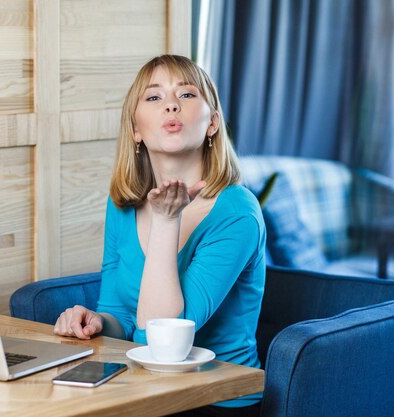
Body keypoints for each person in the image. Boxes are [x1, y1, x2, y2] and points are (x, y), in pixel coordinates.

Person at [53, 55, 265, 417]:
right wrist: (98, 322)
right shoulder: (123, 202)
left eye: (186, 94)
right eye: (154, 98)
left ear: (212, 123)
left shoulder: (237, 213)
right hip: (140, 386)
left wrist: (167, 222)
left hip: (215, 399)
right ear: (136, 129)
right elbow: (120, 312)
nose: (170, 103)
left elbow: (162, 341)